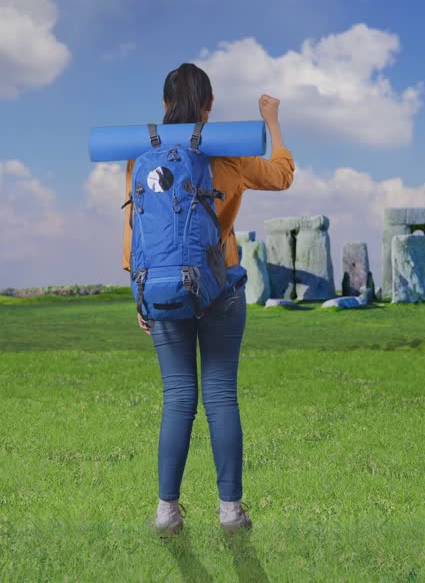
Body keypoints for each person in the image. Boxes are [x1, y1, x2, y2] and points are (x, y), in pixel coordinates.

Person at [122, 62, 295, 536]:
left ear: (163, 104)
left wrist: (141, 295)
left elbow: (136, 227)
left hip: (159, 287)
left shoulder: (141, 156)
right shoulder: (228, 155)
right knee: (220, 397)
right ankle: (230, 511)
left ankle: (166, 512)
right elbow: (282, 176)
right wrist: (273, 122)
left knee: (177, 397)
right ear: (210, 105)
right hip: (221, 289)